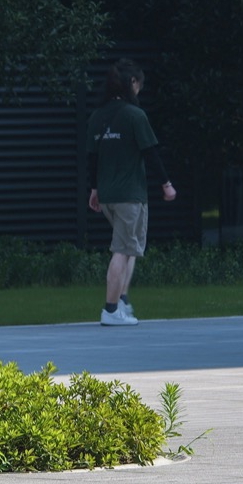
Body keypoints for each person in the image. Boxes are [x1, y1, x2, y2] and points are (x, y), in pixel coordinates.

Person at [87, 58, 174, 326]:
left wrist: (94, 189)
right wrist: (166, 184)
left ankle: (122, 301)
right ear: (132, 83)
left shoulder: (97, 115)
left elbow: (92, 157)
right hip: (130, 195)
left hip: (109, 195)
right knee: (122, 250)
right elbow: (150, 152)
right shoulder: (135, 115)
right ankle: (111, 310)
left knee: (130, 247)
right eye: (139, 86)